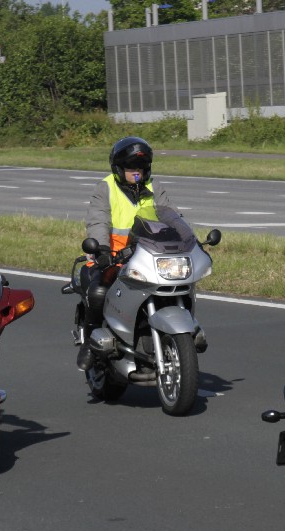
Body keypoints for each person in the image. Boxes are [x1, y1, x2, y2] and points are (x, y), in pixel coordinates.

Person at [78, 136, 193, 370]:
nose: (136, 172)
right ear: (119, 169)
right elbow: (98, 221)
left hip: (149, 257)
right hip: (114, 259)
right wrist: (101, 250)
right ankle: (90, 343)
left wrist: (189, 239)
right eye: (131, 167)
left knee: (182, 283)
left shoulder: (154, 188)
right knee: (99, 292)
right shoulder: (106, 188)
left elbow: (172, 216)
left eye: (141, 167)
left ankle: (188, 332)